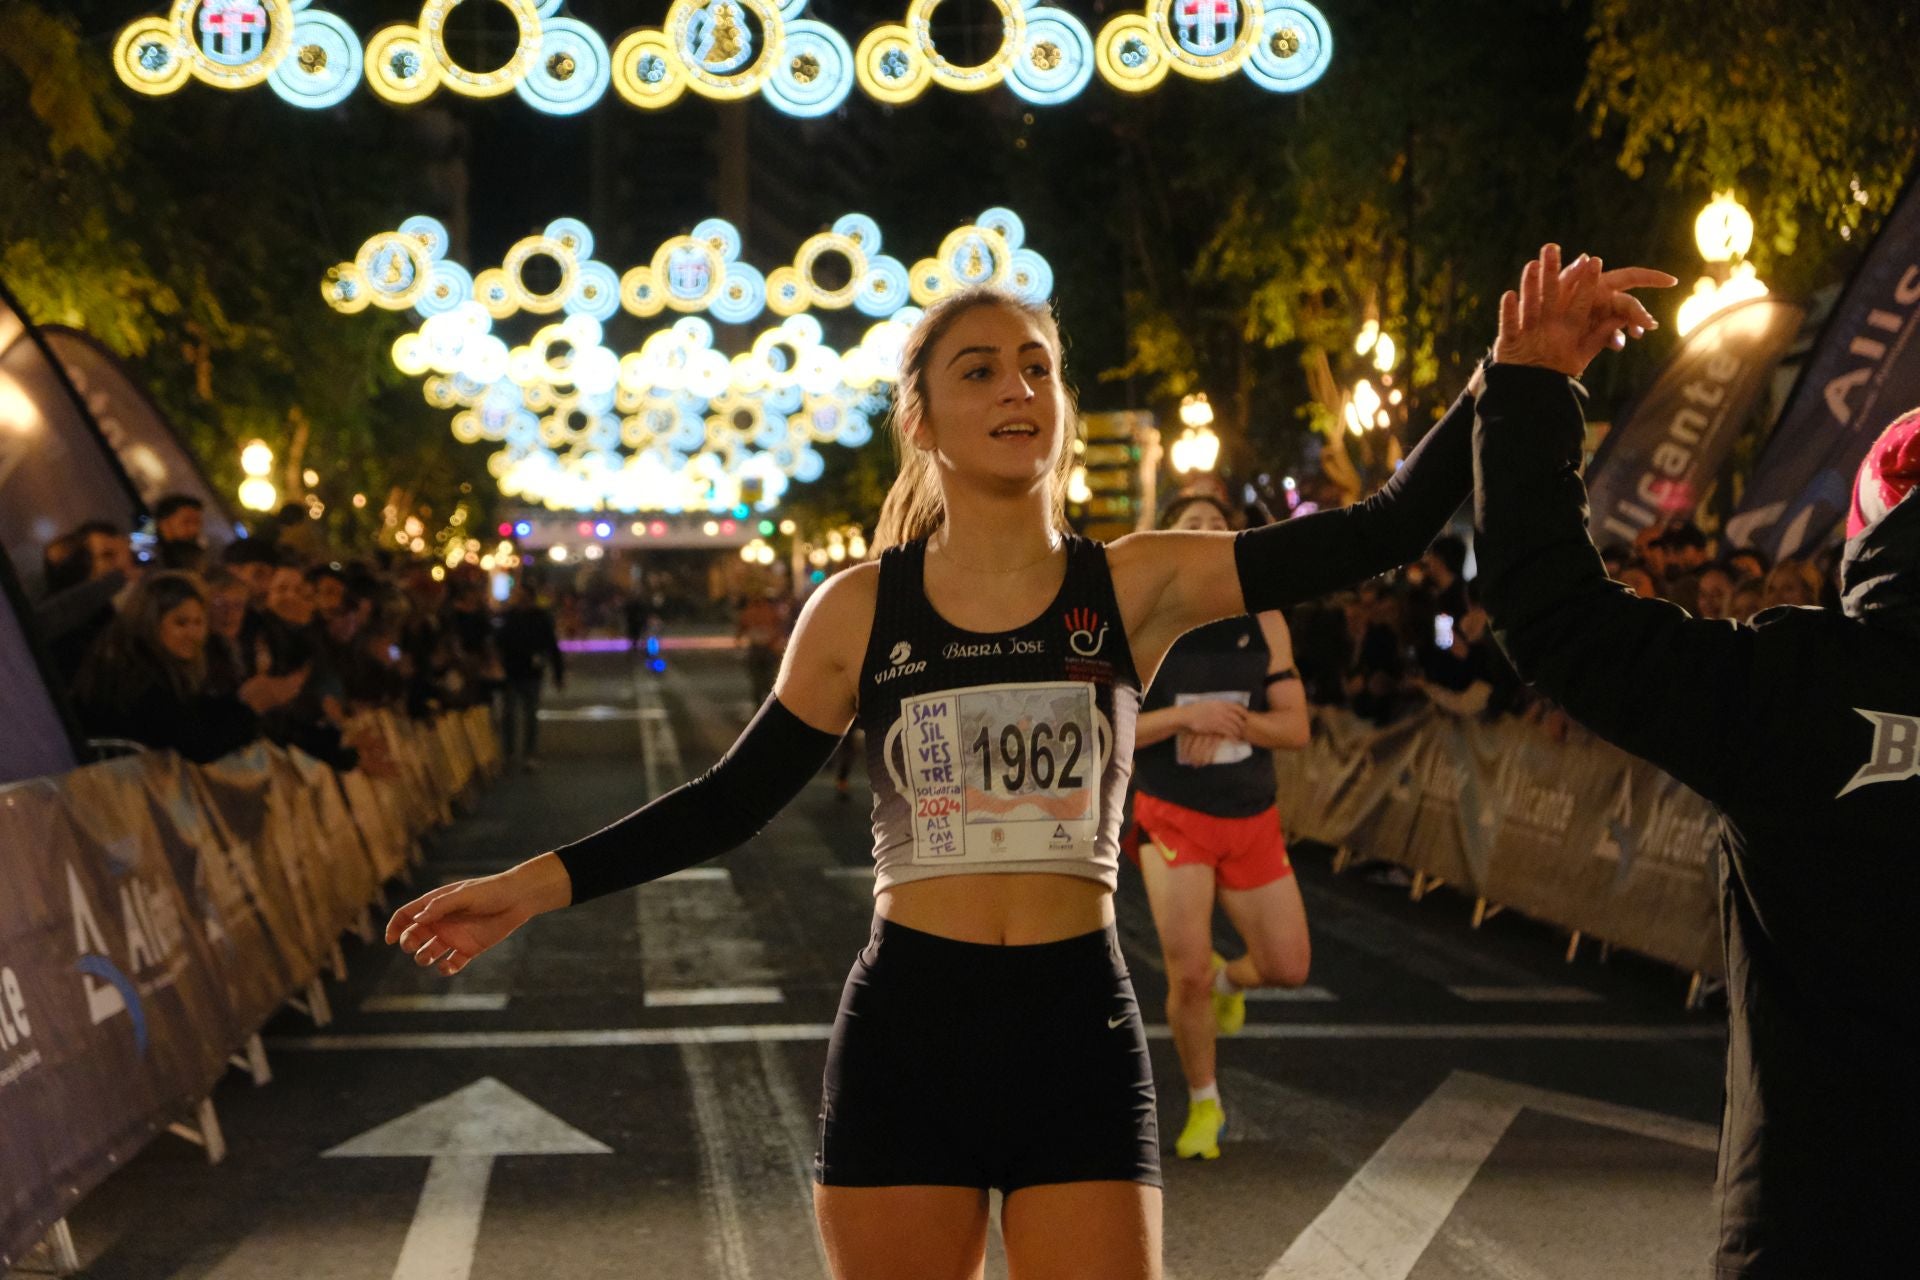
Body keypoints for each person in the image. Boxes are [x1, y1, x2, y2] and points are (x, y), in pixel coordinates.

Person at [387, 260, 1665, 1280]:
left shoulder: (1139, 580)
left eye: (1038, 368)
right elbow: (731, 800)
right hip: (907, 1031)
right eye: (979, 367)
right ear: (925, 415)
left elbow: (1381, 529)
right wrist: (530, 886)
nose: (1018, 389)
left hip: (1076, 1025)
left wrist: (1513, 377)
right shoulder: (855, 611)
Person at [1471, 244, 1917, 1278]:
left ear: (1869, 533)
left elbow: (1559, 622)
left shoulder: (1790, 686)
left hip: (1815, 1222)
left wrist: (1534, 389)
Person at [1128, 492, 1311, 1162]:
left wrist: (1233, 721)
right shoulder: (1147, 623)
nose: (1205, 534)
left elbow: (1295, 727)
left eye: (1217, 525)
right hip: (1172, 813)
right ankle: (1205, 1104)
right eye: (1191, 527)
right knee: (1187, 976)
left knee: (1288, 966)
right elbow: (1104, 727)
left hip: (1252, 814)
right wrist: (1182, 718)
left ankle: (1233, 982)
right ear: (1170, 542)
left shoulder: (1263, 618)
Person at [71, 572, 299, 762]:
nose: (192, 634)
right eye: (181, 623)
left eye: (198, 623)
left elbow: (193, 711)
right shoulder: (134, 675)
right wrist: (249, 709)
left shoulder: (163, 669)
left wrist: (240, 702)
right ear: (151, 621)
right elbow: (193, 743)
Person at [496, 583, 564, 770]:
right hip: (511, 671)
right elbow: (499, 641)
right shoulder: (509, 617)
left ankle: (529, 753)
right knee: (509, 714)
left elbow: (551, 645)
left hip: (532, 672)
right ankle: (509, 753)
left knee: (530, 714)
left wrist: (558, 673)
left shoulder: (540, 618)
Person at [153, 493, 207, 571]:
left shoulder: (196, 557)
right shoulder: (153, 561)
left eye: (197, 523)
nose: (194, 529)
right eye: (186, 522)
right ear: (164, 524)